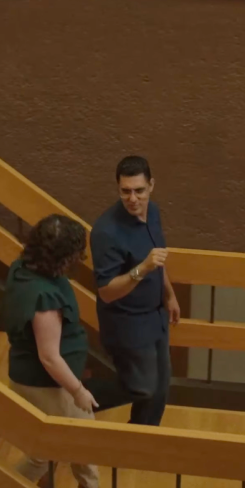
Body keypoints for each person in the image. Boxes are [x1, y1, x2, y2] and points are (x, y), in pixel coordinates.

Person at [0, 215, 133, 488]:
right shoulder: (44, 298)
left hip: (35, 378)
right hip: (45, 384)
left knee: (75, 438)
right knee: (50, 449)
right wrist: (78, 390)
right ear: (65, 256)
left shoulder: (22, 269)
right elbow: (49, 356)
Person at [89, 155, 180, 427]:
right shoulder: (106, 232)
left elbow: (158, 259)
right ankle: (74, 398)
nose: (132, 198)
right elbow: (106, 291)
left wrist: (169, 294)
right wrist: (142, 268)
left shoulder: (153, 212)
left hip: (155, 315)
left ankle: (142, 439)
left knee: (161, 387)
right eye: (125, 191)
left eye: (139, 190)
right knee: (143, 389)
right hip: (126, 321)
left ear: (151, 186)